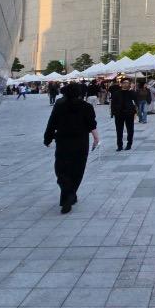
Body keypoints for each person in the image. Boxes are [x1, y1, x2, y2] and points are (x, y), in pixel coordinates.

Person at [43, 82, 100, 213]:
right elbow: (92, 125)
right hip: (81, 142)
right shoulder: (86, 107)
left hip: (63, 142)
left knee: (61, 169)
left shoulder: (59, 106)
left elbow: (52, 123)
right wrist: (96, 139)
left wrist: (48, 138)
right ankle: (71, 193)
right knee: (77, 169)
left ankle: (67, 193)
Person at [110, 77, 137, 150]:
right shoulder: (116, 93)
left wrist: (131, 89)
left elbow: (136, 98)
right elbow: (113, 103)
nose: (126, 84)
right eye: (124, 83)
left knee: (130, 129)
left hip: (129, 113)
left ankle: (129, 144)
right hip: (119, 114)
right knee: (119, 130)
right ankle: (119, 145)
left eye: (127, 83)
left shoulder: (131, 92)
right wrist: (113, 113)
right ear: (121, 84)